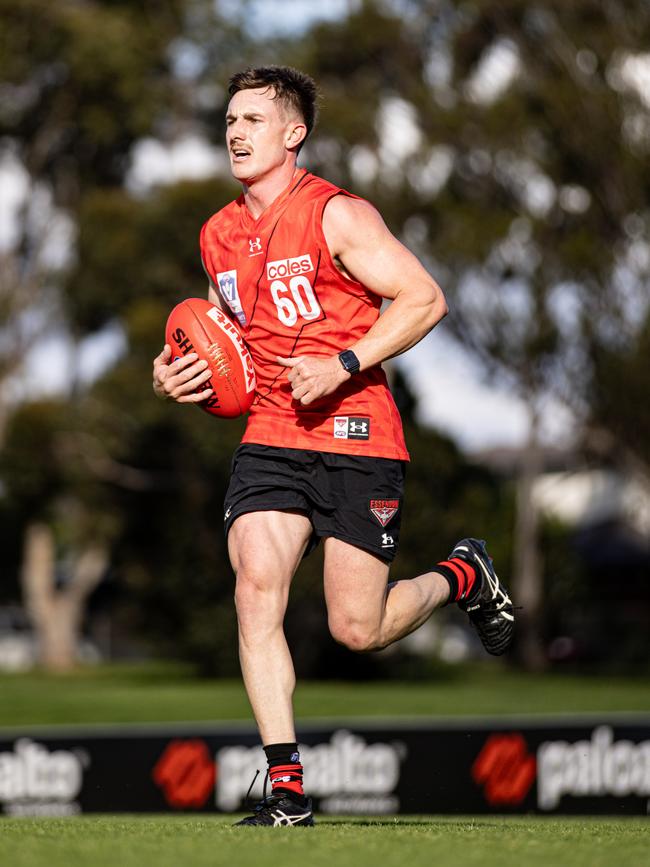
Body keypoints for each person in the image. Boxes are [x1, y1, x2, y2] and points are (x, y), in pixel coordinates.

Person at [153, 65, 514, 827]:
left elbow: (425, 298)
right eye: (229, 121)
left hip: (358, 435)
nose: (235, 133)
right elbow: (236, 356)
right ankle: (288, 790)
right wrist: (177, 372)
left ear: (294, 133)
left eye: (253, 120)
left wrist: (345, 363)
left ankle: (462, 572)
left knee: (358, 628)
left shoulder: (336, 215)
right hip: (272, 438)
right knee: (255, 587)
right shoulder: (216, 234)